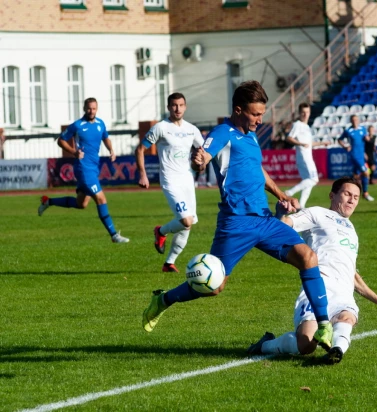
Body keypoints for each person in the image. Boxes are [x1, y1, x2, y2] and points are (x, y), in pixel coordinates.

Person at [142, 81, 334, 349]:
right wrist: (200, 161)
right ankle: (162, 300)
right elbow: (205, 155)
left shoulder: (250, 135)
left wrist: (281, 194)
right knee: (215, 286)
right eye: (255, 114)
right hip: (236, 223)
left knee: (307, 257)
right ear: (239, 109)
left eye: (262, 114)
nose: (260, 119)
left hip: (265, 220)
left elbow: (258, 171)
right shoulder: (224, 132)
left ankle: (324, 325)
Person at [247, 177, 377, 364]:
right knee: (306, 345)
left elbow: (351, 274)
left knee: (347, 318)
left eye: (356, 197)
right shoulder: (317, 214)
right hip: (318, 288)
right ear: (332, 195)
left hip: (343, 294)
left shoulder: (352, 230)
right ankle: (265, 345)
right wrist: (281, 214)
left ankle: (336, 350)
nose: (352, 200)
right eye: (347, 194)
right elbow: (283, 227)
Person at [38, 98, 129, 243]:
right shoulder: (77, 125)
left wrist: (111, 149)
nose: (91, 111)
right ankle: (114, 235)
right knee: (101, 198)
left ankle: (48, 202)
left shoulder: (100, 123)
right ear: (84, 108)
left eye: (93, 108)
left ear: (97, 109)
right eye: (88, 108)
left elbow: (106, 138)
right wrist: (74, 152)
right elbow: (61, 140)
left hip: (93, 167)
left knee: (82, 204)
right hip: (83, 168)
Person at [135, 93, 203, 273]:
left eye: (181, 105)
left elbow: (202, 153)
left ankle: (169, 264)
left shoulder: (192, 129)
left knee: (188, 225)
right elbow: (140, 149)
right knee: (186, 220)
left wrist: (200, 164)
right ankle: (161, 231)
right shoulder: (161, 128)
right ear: (168, 107)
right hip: (170, 180)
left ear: (185, 107)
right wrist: (143, 174)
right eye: (174, 105)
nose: (177, 109)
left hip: (187, 181)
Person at [284, 102, 328, 208]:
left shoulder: (307, 127)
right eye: (303, 112)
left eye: (307, 112)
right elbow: (289, 138)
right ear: (299, 113)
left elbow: (309, 143)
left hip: (307, 157)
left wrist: (322, 143)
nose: (305, 114)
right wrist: (300, 144)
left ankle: (301, 206)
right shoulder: (297, 124)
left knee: (308, 182)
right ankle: (289, 192)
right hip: (303, 157)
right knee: (314, 180)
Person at [338, 115, 375, 201]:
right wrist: (345, 146)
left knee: (355, 177)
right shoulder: (348, 131)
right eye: (353, 120)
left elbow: (366, 140)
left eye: (356, 120)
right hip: (354, 155)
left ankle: (344, 190)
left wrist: (369, 137)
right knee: (366, 173)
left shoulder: (362, 129)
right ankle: (365, 193)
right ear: (351, 121)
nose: (355, 121)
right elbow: (339, 139)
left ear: (358, 120)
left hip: (361, 155)